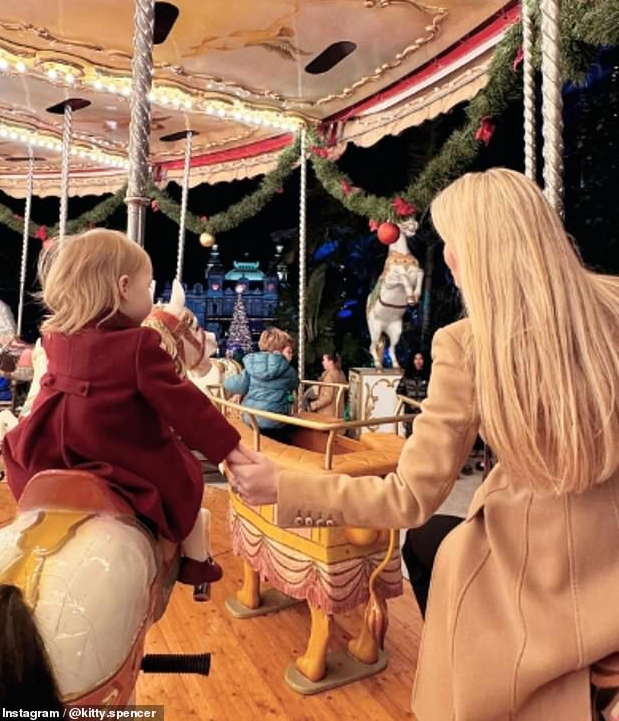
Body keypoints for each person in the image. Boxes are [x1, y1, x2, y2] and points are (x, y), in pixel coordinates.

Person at [227, 168, 619, 721]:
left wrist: (284, 484)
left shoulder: (466, 343)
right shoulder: (612, 302)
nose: (451, 262)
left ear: (478, 253)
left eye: (454, 246)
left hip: (540, 580)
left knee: (444, 548)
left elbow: (410, 497)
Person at [2, 229, 246, 588]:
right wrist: (229, 449)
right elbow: (184, 405)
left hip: (51, 446)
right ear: (124, 287)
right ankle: (195, 562)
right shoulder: (139, 345)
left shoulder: (57, 337)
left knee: (20, 456)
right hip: (108, 445)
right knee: (186, 475)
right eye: (148, 288)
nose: (151, 296)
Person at [224, 327, 298, 444]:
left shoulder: (251, 366)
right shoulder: (288, 370)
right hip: (275, 422)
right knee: (290, 434)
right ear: (279, 349)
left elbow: (234, 385)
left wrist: (225, 380)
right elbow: (294, 384)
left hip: (251, 419)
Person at [304, 352, 347, 417]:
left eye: (324, 360)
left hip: (328, 413)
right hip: (338, 412)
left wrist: (313, 405)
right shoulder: (340, 373)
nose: (322, 362)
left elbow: (328, 397)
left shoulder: (330, 376)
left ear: (330, 362)